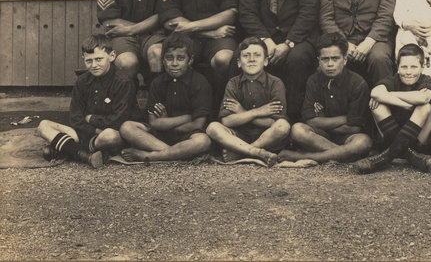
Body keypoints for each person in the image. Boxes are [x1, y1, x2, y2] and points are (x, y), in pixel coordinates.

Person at [38, 34, 135, 168]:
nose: (94, 65)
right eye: (89, 61)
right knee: (43, 125)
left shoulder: (123, 82)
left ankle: (68, 149)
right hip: (87, 132)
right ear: (83, 59)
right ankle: (84, 155)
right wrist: (92, 129)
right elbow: (75, 118)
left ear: (112, 56)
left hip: (106, 134)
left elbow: (118, 120)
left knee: (111, 136)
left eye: (99, 59)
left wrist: (92, 119)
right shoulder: (82, 81)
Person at [277, 32, 373, 165]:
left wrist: (322, 123)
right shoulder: (313, 81)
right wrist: (344, 119)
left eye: (335, 58)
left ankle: (304, 156)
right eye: (325, 59)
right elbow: (310, 121)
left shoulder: (358, 83)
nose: (330, 64)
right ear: (319, 60)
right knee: (297, 129)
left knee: (363, 141)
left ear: (345, 59)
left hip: (348, 138)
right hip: (319, 137)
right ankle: (345, 156)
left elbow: (355, 128)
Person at [118, 33, 214, 163]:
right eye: (169, 58)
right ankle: (176, 154)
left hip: (188, 136)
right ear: (163, 60)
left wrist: (166, 122)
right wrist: (187, 117)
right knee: (127, 127)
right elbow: (154, 123)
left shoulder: (200, 82)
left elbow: (198, 124)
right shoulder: (157, 83)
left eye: (180, 58)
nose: (174, 63)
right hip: (160, 137)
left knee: (203, 141)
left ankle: (150, 156)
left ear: (190, 60)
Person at [353, 43, 431, 174]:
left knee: (425, 106)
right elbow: (375, 93)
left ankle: (385, 158)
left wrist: (389, 95)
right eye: (404, 67)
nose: (408, 72)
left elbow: (423, 98)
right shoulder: (392, 80)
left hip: (419, 142)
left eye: (414, 67)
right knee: (377, 105)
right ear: (397, 66)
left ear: (422, 67)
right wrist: (405, 104)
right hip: (391, 138)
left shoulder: (427, 81)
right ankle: (410, 156)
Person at [206, 36, 291, 165]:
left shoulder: (275, 83)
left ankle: (242, 152)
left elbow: (273, 123)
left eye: (257, 55)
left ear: (265, 61)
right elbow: (226, 121)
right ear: (239, 63)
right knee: (213, 127)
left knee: (283, 126)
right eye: (246, 56)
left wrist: (242, 112)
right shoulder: (233, 83)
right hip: (239, 136)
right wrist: (257, 112)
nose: (251, 60)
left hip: (267, 138)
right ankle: (255, 152)